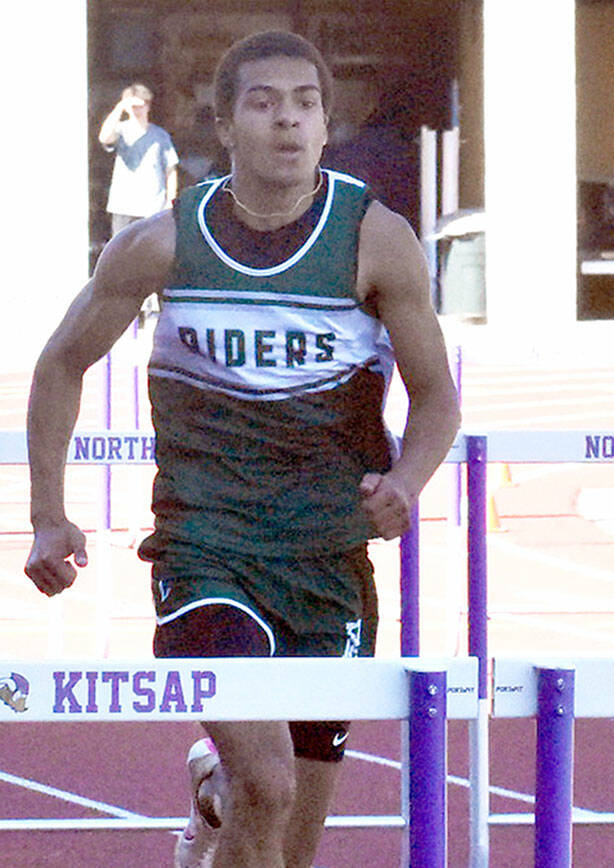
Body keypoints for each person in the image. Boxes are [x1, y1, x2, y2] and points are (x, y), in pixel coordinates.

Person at [26, 30, 461, 868]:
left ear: (327, 124)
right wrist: (50, 515)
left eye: (305, 104)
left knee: (284, 846)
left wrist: (407, 480)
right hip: (206, 553)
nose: (287, 122)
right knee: (268, 787)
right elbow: (61, 362)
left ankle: (213, 800)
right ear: (225, 126)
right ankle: (233, 787)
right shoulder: (162, 243)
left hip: (326, 561)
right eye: (263, 104)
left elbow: (437, 394)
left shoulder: (377, 240)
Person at [97, 83, 180, 236]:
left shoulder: (160, 135)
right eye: (133, 106)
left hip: (153, 207)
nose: (137, 111)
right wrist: (120, 107)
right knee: (121, 254)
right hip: (123, 207)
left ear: (148, 106)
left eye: (140, 106)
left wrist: (170, 202)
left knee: (152, 255)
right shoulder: (120, 130)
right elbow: (104, 137)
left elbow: (171, 170)